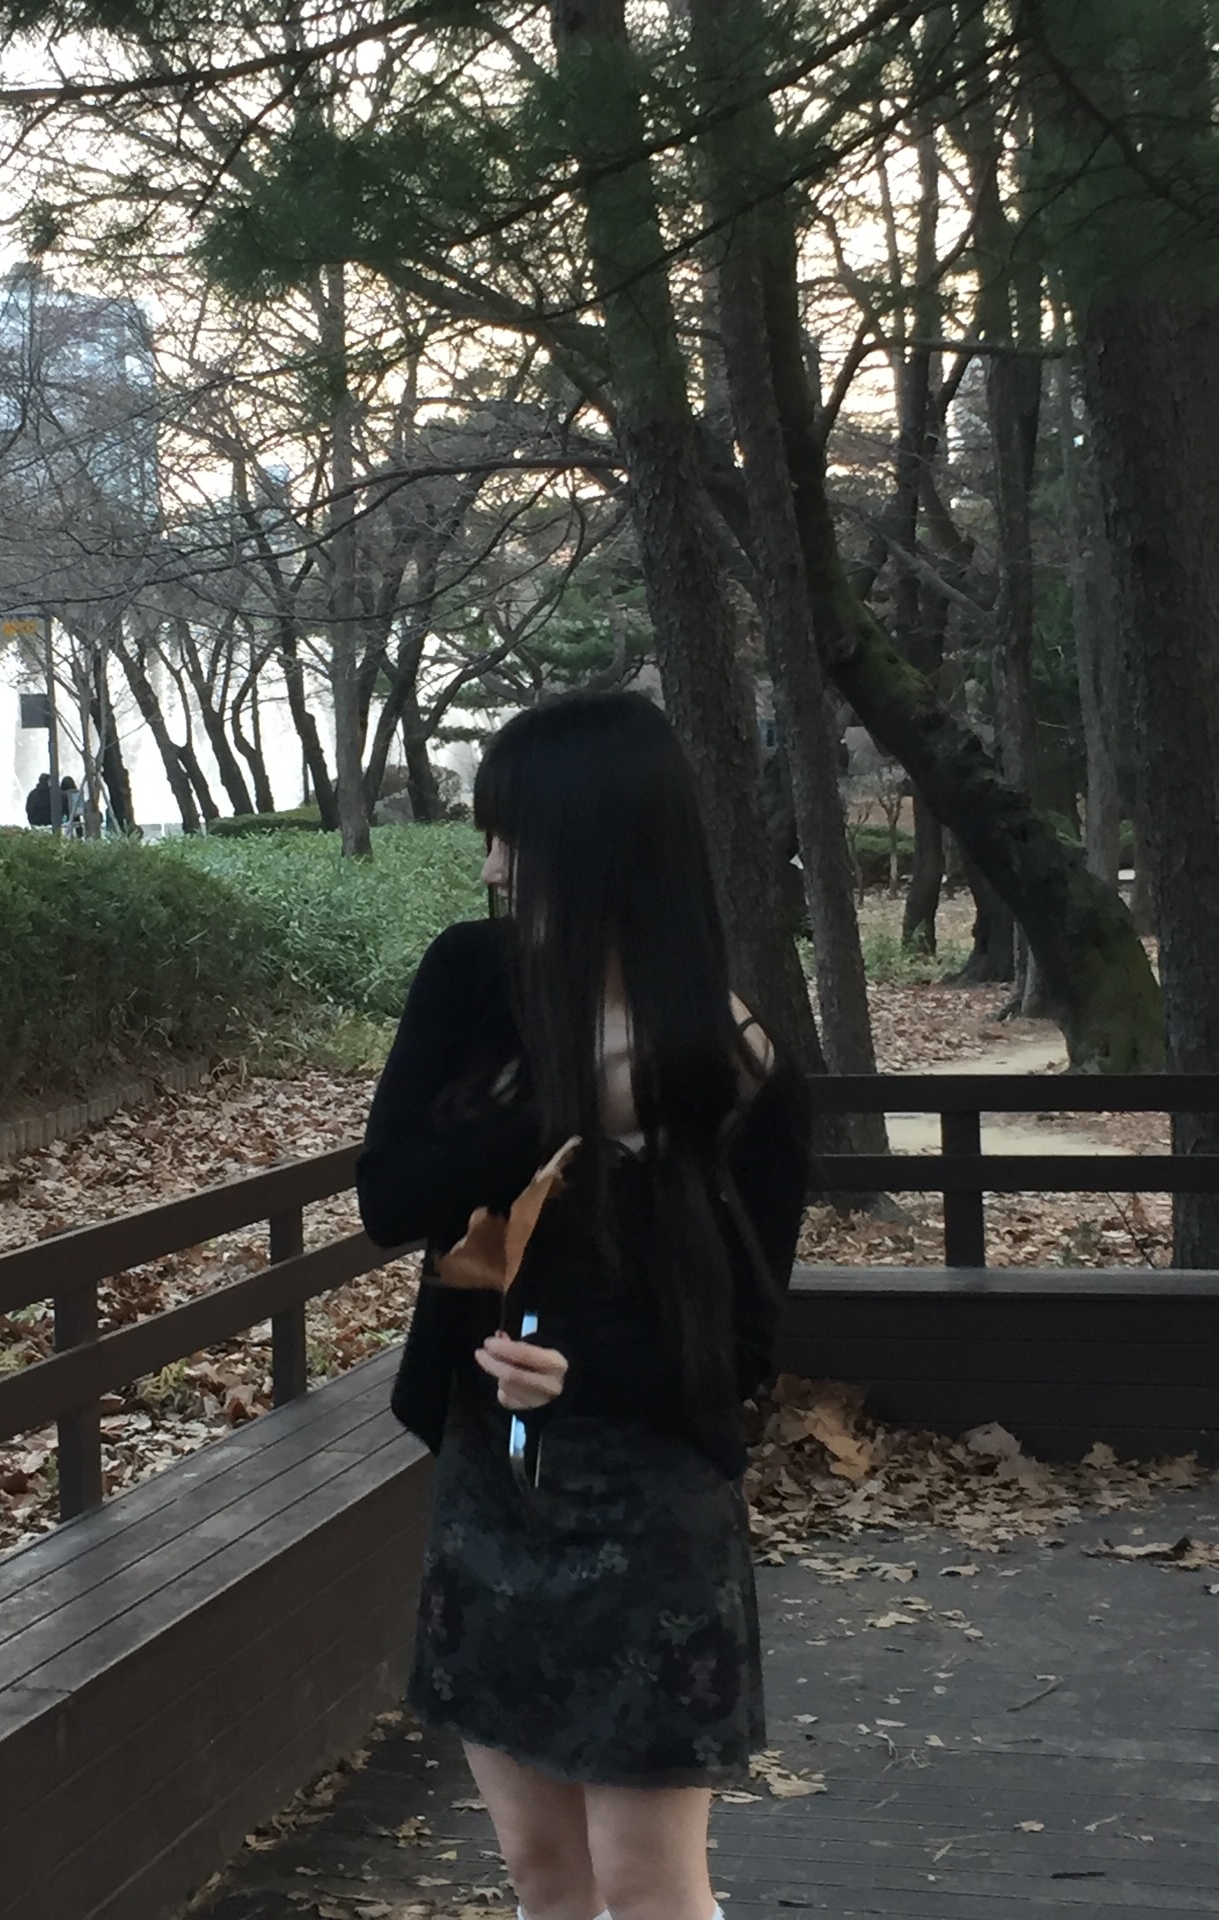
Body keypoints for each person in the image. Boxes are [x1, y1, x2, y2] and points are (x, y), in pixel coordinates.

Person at [357, 692, 811, 1920]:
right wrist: (565, 1106)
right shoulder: (470, 980)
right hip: (491, 1489)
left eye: (513, 836)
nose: (492, 866)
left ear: (601, 843)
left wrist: (591, 1373)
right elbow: (390, 1197)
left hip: (651, 1505)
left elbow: (749, 1347)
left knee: (645, 1881)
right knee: (542, 1873)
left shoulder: (737, 1066)